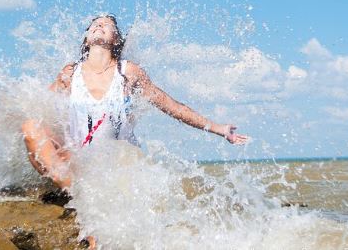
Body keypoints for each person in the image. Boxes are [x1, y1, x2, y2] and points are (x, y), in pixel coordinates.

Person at [21, 13, 249, 191]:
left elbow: (172, 106)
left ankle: (89, 205)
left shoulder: (128, 72)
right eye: (94, 24)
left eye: (107, 25)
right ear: (86, 38)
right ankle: (78, 194)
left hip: (114, 167)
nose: (99, 25)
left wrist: (219, 129)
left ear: (117, 39)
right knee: (30, 126)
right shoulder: (70, 73)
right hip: (77, 165)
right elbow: (39, 107)